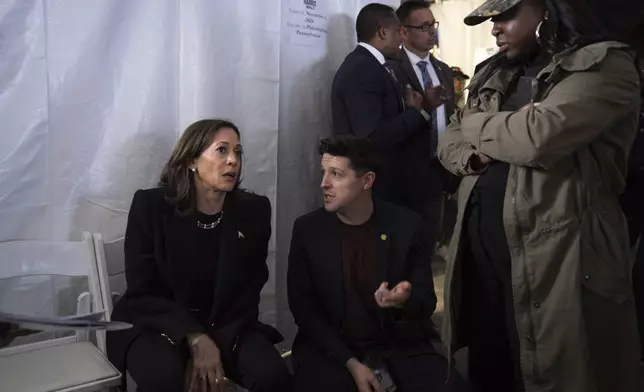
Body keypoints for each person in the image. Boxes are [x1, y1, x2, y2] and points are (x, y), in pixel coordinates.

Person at [437, 0, 642, 391]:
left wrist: (474, 124)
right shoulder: (493, 72)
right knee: (489, 359)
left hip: (559, 254)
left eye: (506, 16)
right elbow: (449, 141)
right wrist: (481, 147)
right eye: (492, 19)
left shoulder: (602, 64)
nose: (495, 28)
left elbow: (537, 137)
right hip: (481, 251)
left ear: (546, 9)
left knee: (555, 367)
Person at [107, 119, 293, 392]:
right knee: (164, 379)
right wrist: (194, 337)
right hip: (157, 323)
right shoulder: (151, 207)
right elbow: (142, 290)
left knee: (272, 375)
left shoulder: (254, 211)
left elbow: (249, 288)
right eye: (222, 150)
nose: (233, 161)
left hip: (228, 324)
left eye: (238, 152)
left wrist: (214, 342)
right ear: (192, 160)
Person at [287, 136, 468, 392]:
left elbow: (425, 302)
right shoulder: (308, 230)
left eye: (336, 174)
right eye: (323, 173)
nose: (323, 184)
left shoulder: (406, 225)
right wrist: (351, 364)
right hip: (332, 350)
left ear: (367, 181)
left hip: (397, 345)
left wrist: (402, 300)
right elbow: (304, 311)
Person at [331, 3, 427, 206]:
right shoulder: (363, 69)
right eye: (399, 31)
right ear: (383, 32)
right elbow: (372, 135)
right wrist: (413, 112)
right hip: (373, 188)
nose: (403, 37)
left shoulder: (372, 65)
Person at [386, 0, 457, 263]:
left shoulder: (444, 71)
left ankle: (422, 299)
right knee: (400, 252)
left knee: (426, 248)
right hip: (402, 175)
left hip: (437, 172)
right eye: (424, 26)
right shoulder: (392, 69)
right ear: (403, 32)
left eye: (433, 25)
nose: (431, 32)